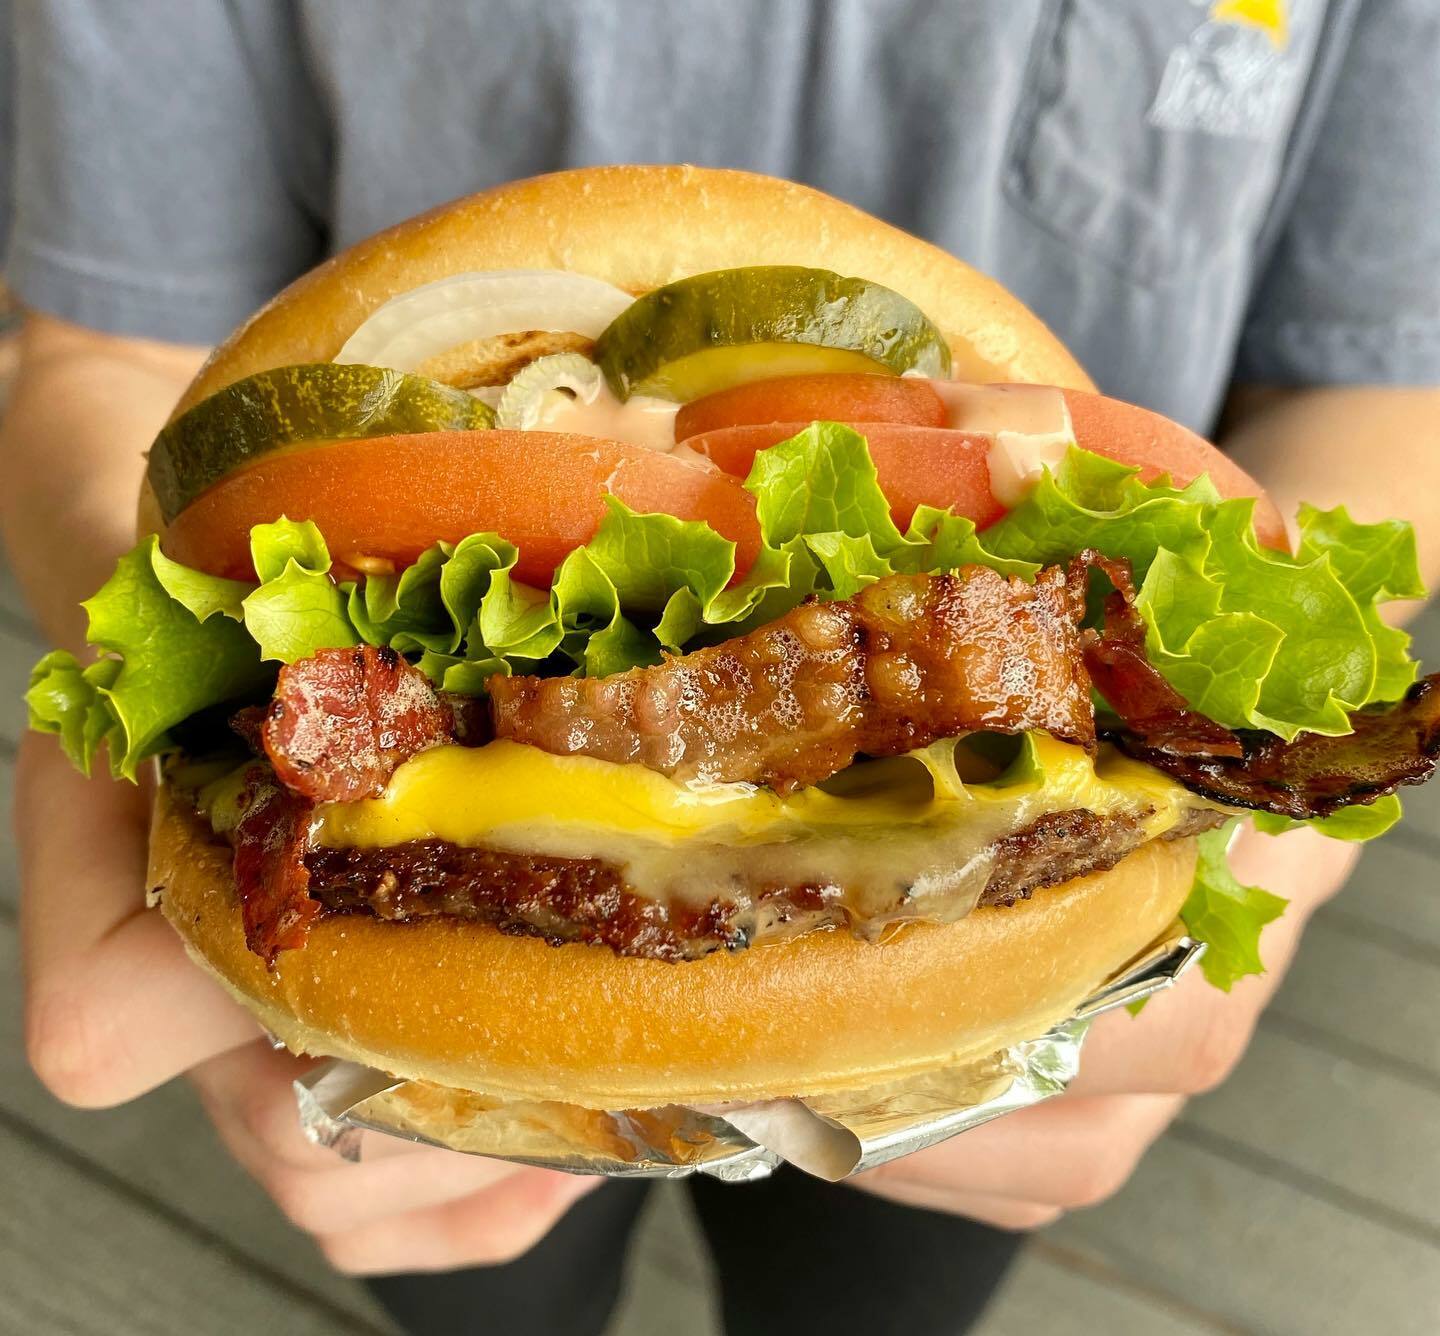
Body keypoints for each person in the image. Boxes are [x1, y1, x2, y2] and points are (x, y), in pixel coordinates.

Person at [3, 3, 1438, 1334]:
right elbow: (97, 350)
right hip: (383, 1050)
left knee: (879, 1301)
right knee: (490, 1299)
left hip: (1032, 1005)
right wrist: (127, 654)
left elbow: (1384, 374)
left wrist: (1276, 769)